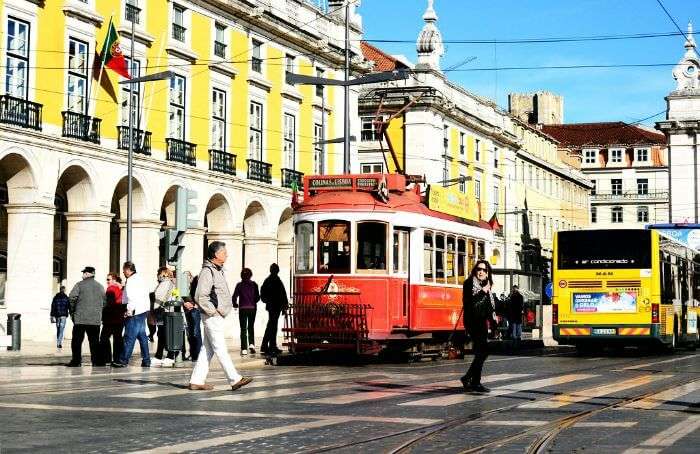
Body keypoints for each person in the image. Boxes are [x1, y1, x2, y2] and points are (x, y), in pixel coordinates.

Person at [188, 241, 252, 391]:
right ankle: (234, 379)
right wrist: (213, 311)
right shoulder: (207, 271)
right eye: (224, 252)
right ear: (216, 255)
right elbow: (200, 296)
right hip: (212, 316)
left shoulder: (217, 270)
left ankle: (196, 380)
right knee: (220, 348)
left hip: (216, 315)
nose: (227, 254)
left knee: (207, 349)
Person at [461, 259, 495, 393]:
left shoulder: (485, 285)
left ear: (488, 273)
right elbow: (470, 304)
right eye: (478, 269)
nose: (481, 272)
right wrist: (483, 291)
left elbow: (488, 307)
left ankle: (472, 380)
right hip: (472, 321)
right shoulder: (469, 284)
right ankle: (472, 380)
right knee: (482, 351)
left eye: (484, 270)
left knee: (483, 352)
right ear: (475, 271)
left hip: (482, 322)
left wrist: (494, 322)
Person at [112, 261, 151, 368]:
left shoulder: (131, 280)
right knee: (142, 336)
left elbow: (131, 297)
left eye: (124, 270)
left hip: (134, 311)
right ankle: (146, 360)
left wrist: (129, 311)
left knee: (129, 337)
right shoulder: (141, 278)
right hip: (143, 310)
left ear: (128, 269)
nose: (123, 272)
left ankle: (123, 360)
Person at [67, 266, 106, 367]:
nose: (83, 275)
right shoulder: (100, 286)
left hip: (80, 318)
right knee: (94, 342)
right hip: (95, 320)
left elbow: (71, 298)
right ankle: (96, 361)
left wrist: (72, 312)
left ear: (88, 274)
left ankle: (76, 361)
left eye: (84, 273)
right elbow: (105, 302)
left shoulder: (79, 285)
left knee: (77, 341)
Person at [260, 263, 289, 355]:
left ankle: (268, 345)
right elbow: (283, 294)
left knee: (271, 326)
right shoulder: (277, 281)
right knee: (272, 326)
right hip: (275, 306)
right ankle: (268, 346)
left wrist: (267, 301)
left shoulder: (268, 280)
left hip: (272, 306)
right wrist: (285, 305)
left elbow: (263, 294)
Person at [232, 268, 260, 356]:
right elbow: (257, 297)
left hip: (243, 308)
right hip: (252, 308)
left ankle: (244, 348)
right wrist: (253, 301)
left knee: (243, 329)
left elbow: (234, 297)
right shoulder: (254, 284)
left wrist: (235, 304)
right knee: (251, 327)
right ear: (250, 275)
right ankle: (251, 344)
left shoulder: (239, 285)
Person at [99, 273, 125, 364]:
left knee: (104, 338)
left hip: (110, 319)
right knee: (117, 339)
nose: (107, 281)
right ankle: (117, 359)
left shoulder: (111, 289)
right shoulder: (121, 289)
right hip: (119, 318)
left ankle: (107, 358)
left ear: (114, 280)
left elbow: (109, 304)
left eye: (108, 279)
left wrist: (103, 313)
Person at [153, 267, 176, 362]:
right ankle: (161, 355)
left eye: (159, 273)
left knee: (164, 333)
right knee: (162, 333)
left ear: (163, 274)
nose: (157, 275)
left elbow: (158, 296)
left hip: (165, 311)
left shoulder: (166, 283)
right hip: (164, 310)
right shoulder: (168, 283)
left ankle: (168, 355)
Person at [184, 273, 203, 361]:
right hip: (188, 311)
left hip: (195, 310)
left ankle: (197, 354)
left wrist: (196, 306)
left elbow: (203, 297)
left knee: (195, 332)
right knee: (190, 333)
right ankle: (193, 354)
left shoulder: (196, 285)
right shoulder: (184, 287)